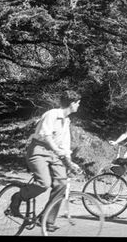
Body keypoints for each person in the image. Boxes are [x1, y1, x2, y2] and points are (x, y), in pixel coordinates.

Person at [9, 90, 82, 232]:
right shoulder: (52, 114)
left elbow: (65, 147)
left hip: (55, 155)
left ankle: (46, 219)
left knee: (61, 184)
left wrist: (70, 163)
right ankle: (18, 197)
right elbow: (46, 135)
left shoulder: (66, 121)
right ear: (72, 103)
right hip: (38, 151)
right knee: (44, 183)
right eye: (78, 103)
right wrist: (57, 150)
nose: (79, 106)